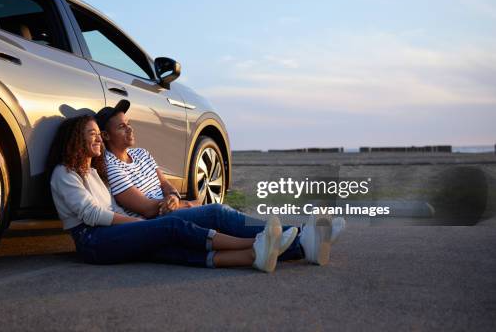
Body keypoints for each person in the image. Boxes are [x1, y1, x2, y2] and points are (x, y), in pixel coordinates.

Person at [96, 100, 345, 266]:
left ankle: (303, 242)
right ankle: (305, 235)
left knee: (224, 221)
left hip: (170, 210)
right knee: (218, 213)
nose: (130, 130)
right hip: (155, 224)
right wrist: (187, 204)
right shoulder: (111, 165)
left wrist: (174, 197)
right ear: (106, 136)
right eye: (121, 127)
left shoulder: (142, 154)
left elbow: (165, 185)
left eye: (129, 124)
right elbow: (146, 208)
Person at [49, 114, 298, 272]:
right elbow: (92, 214)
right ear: (74, 140)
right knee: (170, 228)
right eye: (92, 135)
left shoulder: (93, 173)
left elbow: (111, 208)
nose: (99, 141)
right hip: (92, 241)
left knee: (165, 249)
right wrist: (138, 224)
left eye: (99, 136)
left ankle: (254, 256)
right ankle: (256, 241)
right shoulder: (64, 174)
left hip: (108, 234)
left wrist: (166, 207)